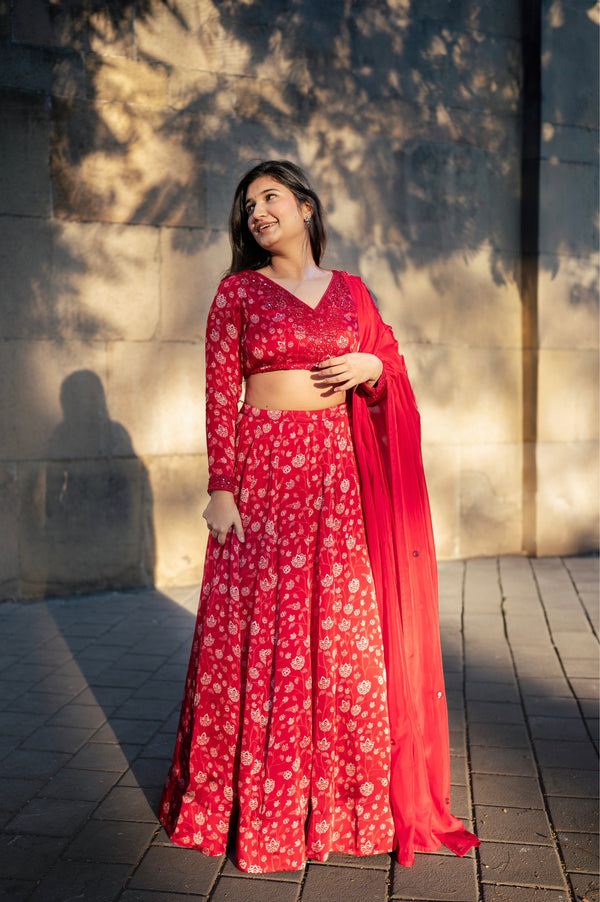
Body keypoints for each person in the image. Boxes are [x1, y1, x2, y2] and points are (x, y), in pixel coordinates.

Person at [159, 160, 479, 874]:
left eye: (269, 198)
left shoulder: (352, 293)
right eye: (247, 206)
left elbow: (389, 366)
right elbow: (220, 392)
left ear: (306, 207)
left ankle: (342, 805)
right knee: (260, 633)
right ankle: (251, 803)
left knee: (341, 635)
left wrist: (372, 366)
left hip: (338, 475)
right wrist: (222, 486)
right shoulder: (237, 293)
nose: (256, 213)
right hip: (265, 471)